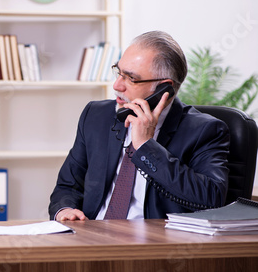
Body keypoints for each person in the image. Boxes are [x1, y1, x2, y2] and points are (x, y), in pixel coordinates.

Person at [49, 30, 230, 221]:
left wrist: (146, 146)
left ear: (163, 89)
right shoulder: (96, 116)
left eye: (131, 78)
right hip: (93, 236)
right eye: (118, 72)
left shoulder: (205, 131)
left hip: (155, 244)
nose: (117, 85)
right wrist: (65, 210)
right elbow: (68, 186)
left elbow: (212, 199)